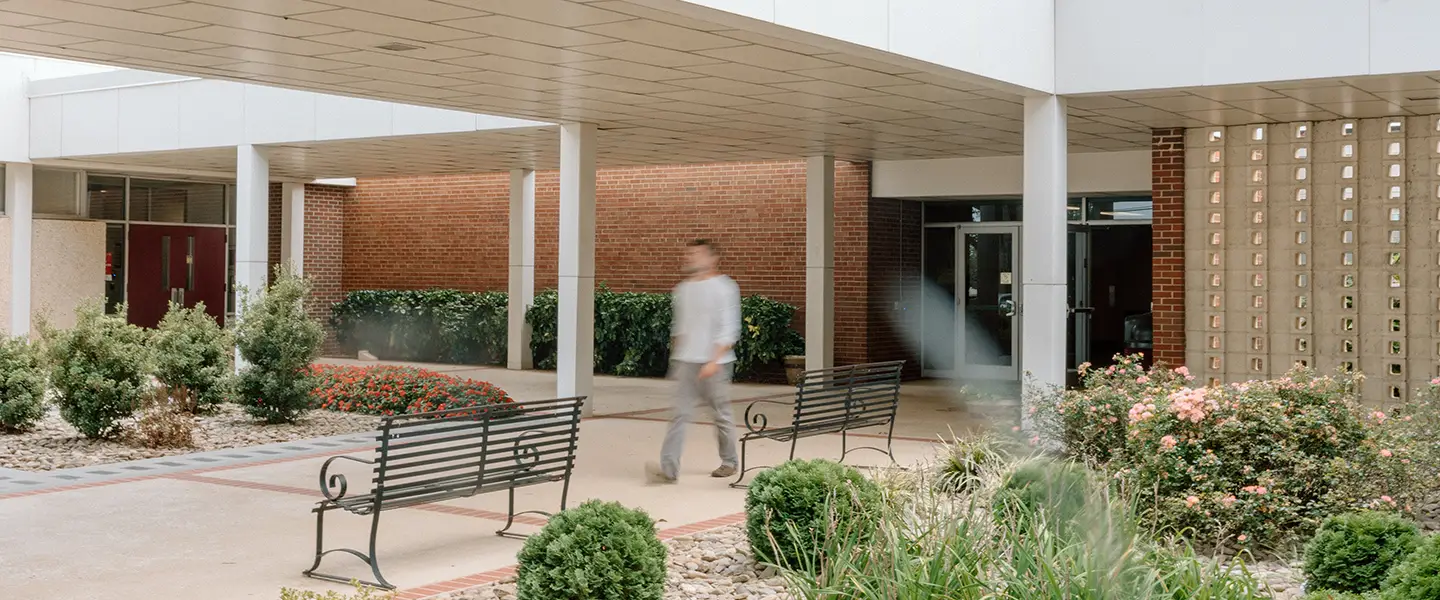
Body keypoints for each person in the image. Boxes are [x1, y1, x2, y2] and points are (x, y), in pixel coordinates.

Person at [646, 239, 741, 483]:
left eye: (697, 254)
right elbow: (680, 327)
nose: (691, 258)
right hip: (686, 362)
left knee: (721, 414)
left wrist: (714, 360)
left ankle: (729, 462)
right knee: (679, 413)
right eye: (689, 254)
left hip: (715, 363)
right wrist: (677, 358)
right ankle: (669, 468)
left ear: (712, 258)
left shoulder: (725, 287)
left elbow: (730, 328)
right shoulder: (683, 289)